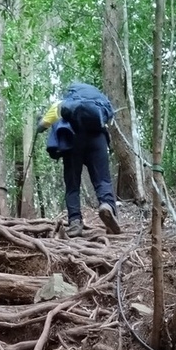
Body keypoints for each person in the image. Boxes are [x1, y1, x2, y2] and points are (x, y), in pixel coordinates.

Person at [37, 82, 121, 238]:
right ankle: (107, 206)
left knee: (72, 184)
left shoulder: (63, 104)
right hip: (98, 138)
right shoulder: (98, 102)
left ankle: (75, 222)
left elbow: (42, 126)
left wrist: (39, 121)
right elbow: (107, 118)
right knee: (103, 179)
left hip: (73, 139)